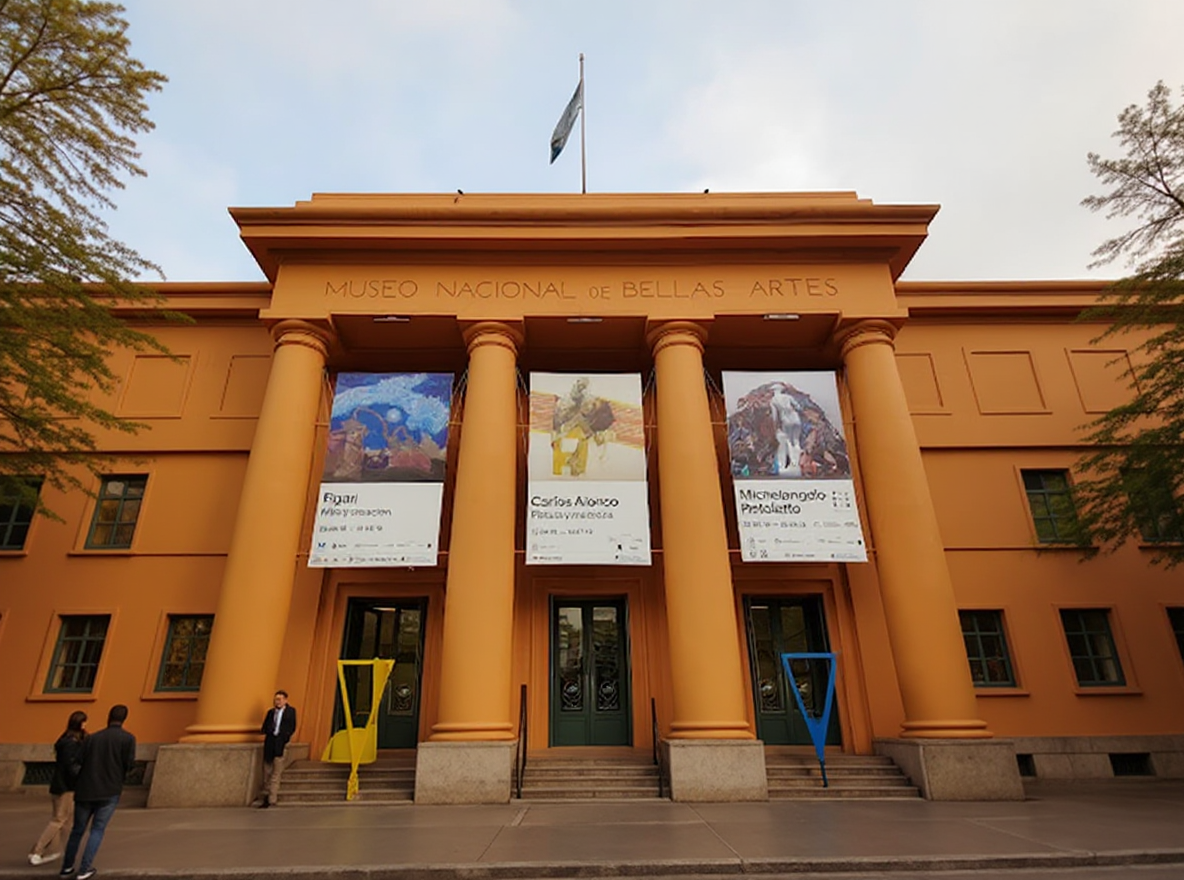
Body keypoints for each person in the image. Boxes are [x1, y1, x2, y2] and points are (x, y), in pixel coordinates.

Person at [60, 704, 135, 880]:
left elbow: (77, 761)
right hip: (109, 790)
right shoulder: (128, 738)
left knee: (77, 830)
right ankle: (84, 869)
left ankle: (66, 867)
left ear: (109, 717)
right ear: (124, 719)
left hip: (86, 789)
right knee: (97, 830)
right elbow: (129, 764)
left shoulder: (92, 738)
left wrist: (81, 779)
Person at [28, 711, 87, 866]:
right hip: (65, 786)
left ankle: (54, 850)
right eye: (84, 722)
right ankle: (37, 851)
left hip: (62, 785)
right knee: (59, 820)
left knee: (65, 820)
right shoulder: (70, 743)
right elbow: (70, 766)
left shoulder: (65, 739)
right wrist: (82, 774)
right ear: (79, 724)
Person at [257, 690, 296, 808]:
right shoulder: (271, 712)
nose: (277, 702)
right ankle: (266, 796)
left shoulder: (291, 712)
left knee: (276, 773)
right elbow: (264, 727)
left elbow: (292, 726)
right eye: (275, 699)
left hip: (281, 745)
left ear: (285, 700)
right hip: (269, 744)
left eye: (279, 699)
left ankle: (271, 799)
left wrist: (284, 738)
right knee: (266, 773)